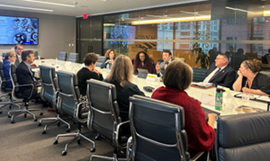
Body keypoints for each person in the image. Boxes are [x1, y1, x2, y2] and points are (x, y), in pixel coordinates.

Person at [152, 60, 216, 155]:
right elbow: (205, 140)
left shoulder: (156, 94)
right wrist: (211, 121)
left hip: (157, 148)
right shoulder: (190, 104)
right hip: (181, 153)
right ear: (187, 81)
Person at [105, 55, 145, 121]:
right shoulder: (130, 88)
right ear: (128, 70)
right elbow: (145, 101)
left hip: (107, 120)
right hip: (125, 123)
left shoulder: (105, 82)